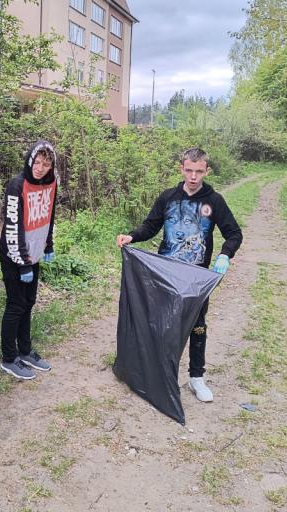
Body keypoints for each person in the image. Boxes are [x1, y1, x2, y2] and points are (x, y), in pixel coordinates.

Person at [116, 147, 242, 403]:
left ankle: (196, 377)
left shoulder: (214, 201)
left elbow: (234, 234)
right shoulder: (168, 198)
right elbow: (151, 226)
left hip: (196, 278)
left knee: (197, 326)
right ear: (181, 169)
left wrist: (224, 255)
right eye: (189, 170)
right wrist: (132, 236)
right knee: (161, 322)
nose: (193, 176)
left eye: (199, 171)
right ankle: (156, 371)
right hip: (165, 275)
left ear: (206, 171)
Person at [0, 141, 58, 380]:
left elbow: (50, 213)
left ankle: (24, 350)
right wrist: (22, 262)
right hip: (14, 254)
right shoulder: (17, 185)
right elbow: (12, 227)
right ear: (30, 159)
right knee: (16, 304)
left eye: (46, 163)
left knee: (29, 302)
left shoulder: (53, 183)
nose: (40, 167)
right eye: (37, 161)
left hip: (33, 252)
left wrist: (49, 243)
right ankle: (8, 358)